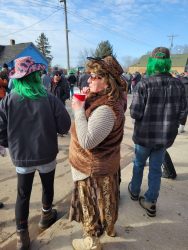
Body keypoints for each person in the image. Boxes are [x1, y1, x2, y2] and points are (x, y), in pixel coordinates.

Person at [0, 56, 71, 250]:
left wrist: (8, 143)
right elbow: (65, 125)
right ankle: (46, 215)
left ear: (19, 78)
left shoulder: (8, 100)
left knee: (22, 194)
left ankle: (22, 236)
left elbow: (0, 128)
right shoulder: (49, 98)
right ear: (36, 76)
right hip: (46, 152)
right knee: (47, 187)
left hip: (21, 156)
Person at [69, 56, 127, 250]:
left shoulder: (106, 109)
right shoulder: (109, 98)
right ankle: (109, 228)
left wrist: (78, 110)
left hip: (92, 169)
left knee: (91, 206)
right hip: (102, 164)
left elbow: (87, 141)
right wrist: (87, 100)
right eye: (90, 76)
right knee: (106, 201)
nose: (88, 80)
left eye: (94, 77)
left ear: (107, 81)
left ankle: (91, 241)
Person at [128, 47, 187, 217]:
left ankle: (134, 190)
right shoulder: (178, 85)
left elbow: (135, 113)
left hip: (144, 137)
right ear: (168, 63)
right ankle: (151, 201)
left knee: (139, 164)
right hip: (165, 138)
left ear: (152, 63)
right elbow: (183, 113)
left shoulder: (143, 84)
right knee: (155, 169)